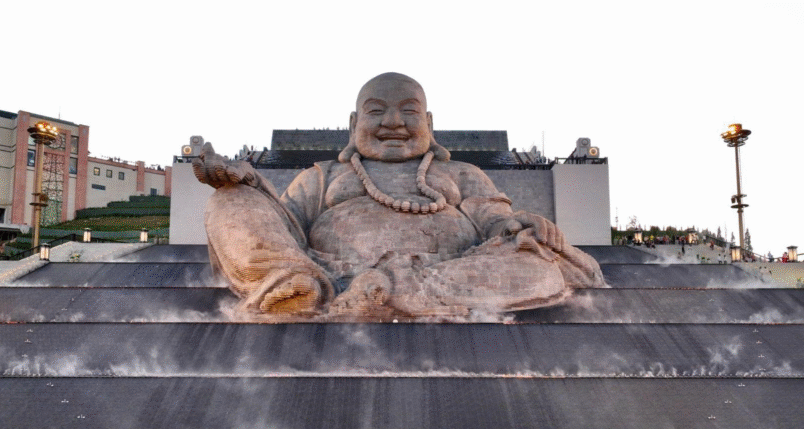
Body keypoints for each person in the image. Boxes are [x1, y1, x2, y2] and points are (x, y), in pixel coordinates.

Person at [196, 72, 604, 319]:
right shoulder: (323, 176)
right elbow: (280, 226)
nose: (393, 121)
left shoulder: (461, 173)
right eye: (376, 111)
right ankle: (295, 285)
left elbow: (498, 222)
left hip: (443, 274)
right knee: (228, 203)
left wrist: (522, 224)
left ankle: (391, 291)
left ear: (428, 122)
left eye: (409, 111)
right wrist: (244, 183)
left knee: (538, 265)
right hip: (324, 270)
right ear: (354, 123)